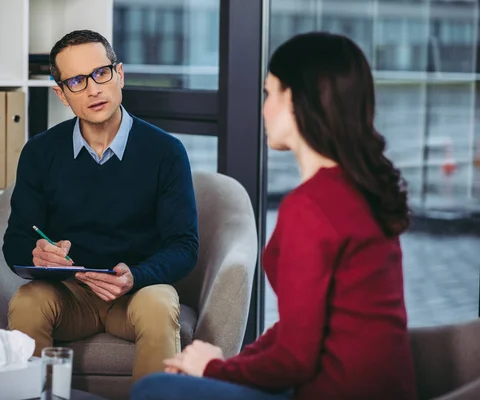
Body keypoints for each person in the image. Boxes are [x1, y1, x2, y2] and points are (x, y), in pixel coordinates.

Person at [130, 31, 418, 400]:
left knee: (155, 389)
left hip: (332, 389)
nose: (263, 107)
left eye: (269, 92)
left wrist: (212, 368)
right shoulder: (361, 188)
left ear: (295, 100)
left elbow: (295, 359)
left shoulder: (311, 206)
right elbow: (301, 331)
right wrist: (227, 364)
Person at [2, 29, 199, 382]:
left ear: (119, 74)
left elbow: (184, 246)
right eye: (76, 81)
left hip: (136, 290)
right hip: (69, 293)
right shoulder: (39, 152)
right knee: (27, 302)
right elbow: (15, 240)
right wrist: (37, 254)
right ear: (61, 94)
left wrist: (135, 276)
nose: (93, 88)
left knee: (159, 306)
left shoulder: (166, 152)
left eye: (101, 73)